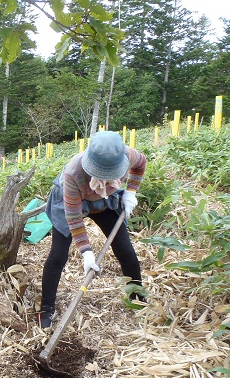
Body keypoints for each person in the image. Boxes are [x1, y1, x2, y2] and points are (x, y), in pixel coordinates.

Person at [37, 131, 147, 328]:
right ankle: (46, 308)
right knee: (58, 256)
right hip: (70, 203)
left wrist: (131, 191)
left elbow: (141, 164)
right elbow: (73, 217)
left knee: (125, 249)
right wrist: (86, 252)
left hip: (105, 201)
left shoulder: (127, 154)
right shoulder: (73, 173)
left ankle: (137, 296)